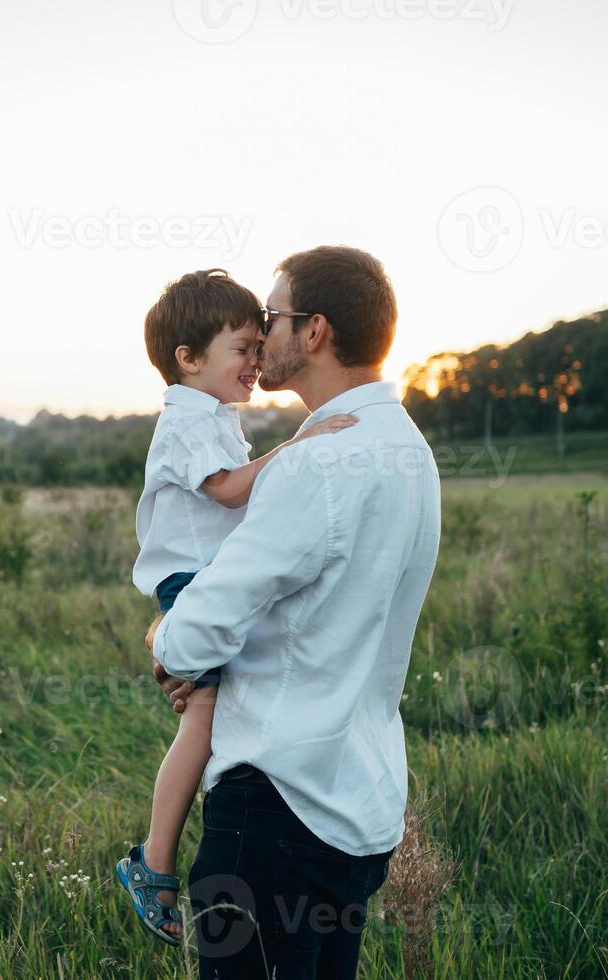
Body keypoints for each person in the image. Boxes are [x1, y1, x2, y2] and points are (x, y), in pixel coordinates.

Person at [150, 246, 442, 979]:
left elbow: (191, 637)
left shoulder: (315, 462)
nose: (260, 331)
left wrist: (164, 634)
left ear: (312, 332)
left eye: (271, 318)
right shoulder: (409, 449)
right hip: (359, 805)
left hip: (276, 811)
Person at [115, 268, 359, 946]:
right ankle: (153, 859)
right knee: (202, 717)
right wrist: (297, 447)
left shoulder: (213, 413)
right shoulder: (188, 420)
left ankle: (160, 855)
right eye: (240, 349)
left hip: (207, 582)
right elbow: (226, 492)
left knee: (213, 714)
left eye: (259, 345)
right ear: (188, 360)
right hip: (192, 583)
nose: (255, 362)